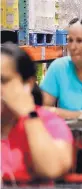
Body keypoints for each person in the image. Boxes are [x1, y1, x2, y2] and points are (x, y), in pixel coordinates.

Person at [1, 43, 74, 180]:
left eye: (3, 80)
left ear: (27, 84)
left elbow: (52, 168)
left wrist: (30, 115)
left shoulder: (48, 122)